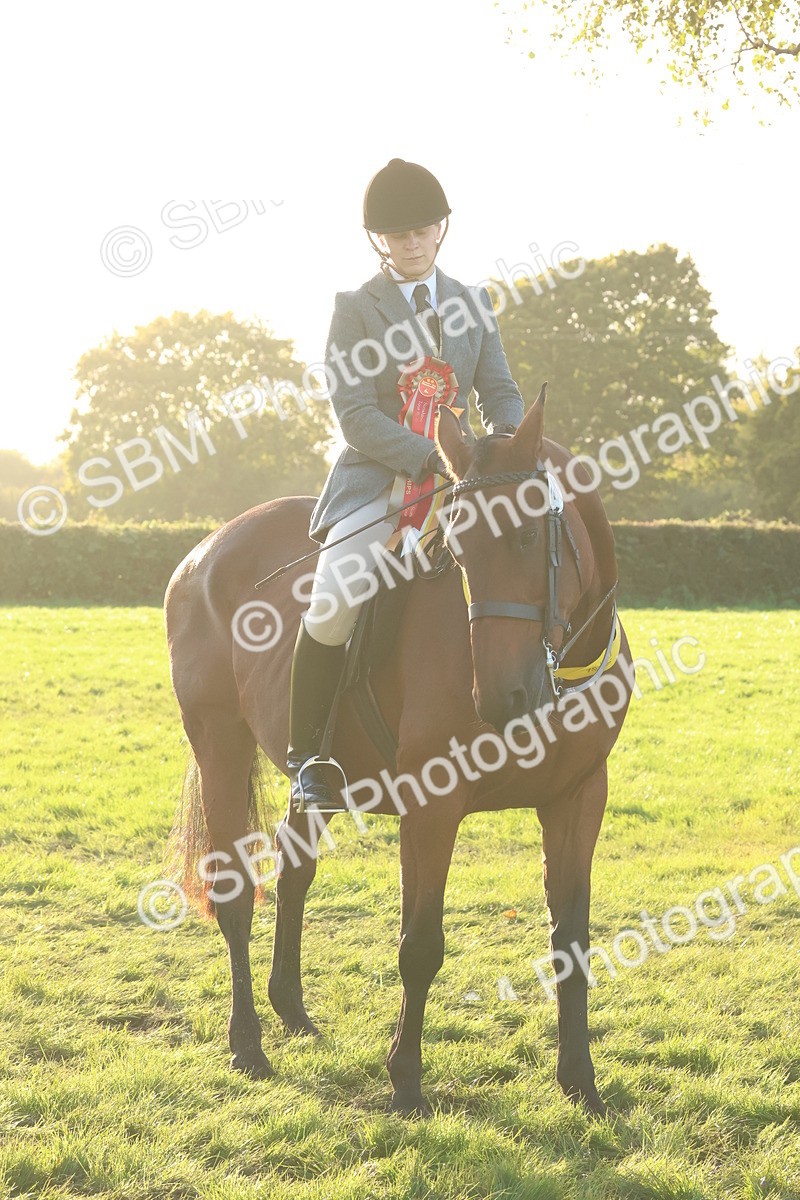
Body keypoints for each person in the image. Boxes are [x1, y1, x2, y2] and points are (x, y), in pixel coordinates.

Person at [287, 157, 524, 812]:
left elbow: (500, 392)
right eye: (398, 234)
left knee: (528, 562)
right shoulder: (355, 309)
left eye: (422, 229)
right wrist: (430, 455)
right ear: (378, 241)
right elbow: (355, 415)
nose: (411, 241)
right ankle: (309, 756)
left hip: (465, 484)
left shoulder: (472, 304)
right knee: (334, 597)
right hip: (378, 485)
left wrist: (503, 449)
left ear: (440, 230)